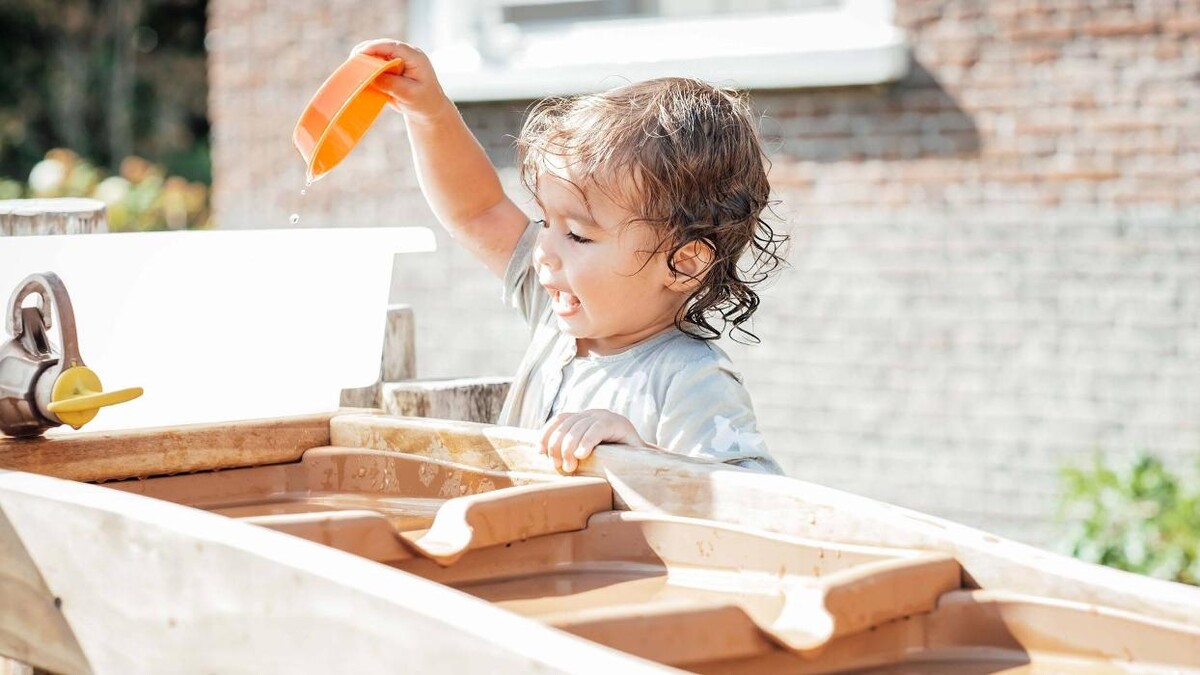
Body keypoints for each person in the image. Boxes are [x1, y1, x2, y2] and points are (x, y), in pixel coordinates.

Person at [356, 40, 788, 475]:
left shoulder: (691, 380)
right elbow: (477, 212)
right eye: (545, 222)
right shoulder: (555, 317)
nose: (544, 250)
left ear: (684, 264)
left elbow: (759, 499)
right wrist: (429, 113)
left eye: (578, 236)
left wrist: (644, 460)